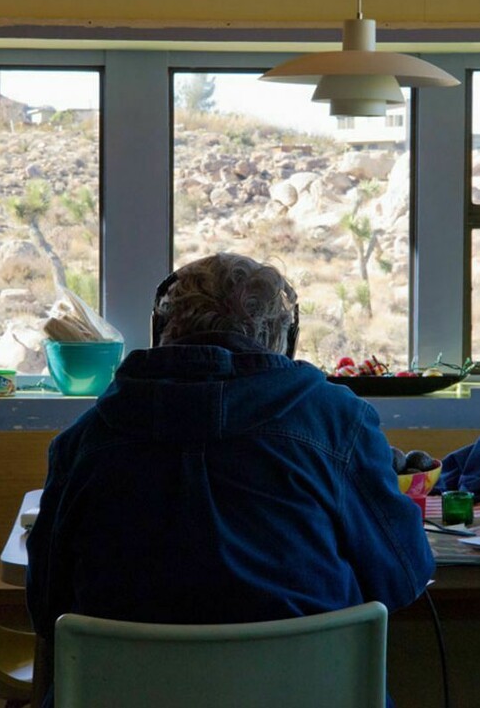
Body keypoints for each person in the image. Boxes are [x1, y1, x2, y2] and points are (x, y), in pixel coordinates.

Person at [27, 252, 434, 705]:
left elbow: (46, 610)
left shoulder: (84, 441)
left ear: (162, 333)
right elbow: (404, 576)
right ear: (284, 339)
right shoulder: (338, 423)